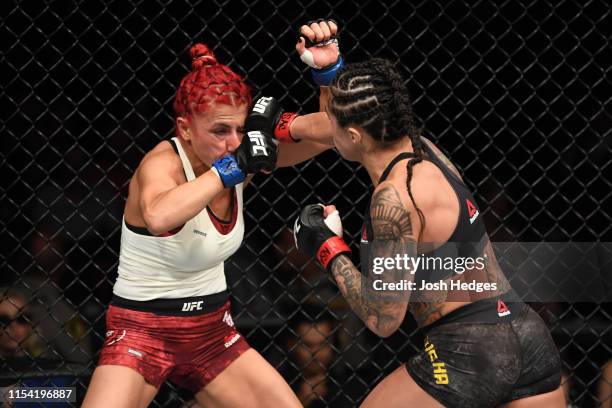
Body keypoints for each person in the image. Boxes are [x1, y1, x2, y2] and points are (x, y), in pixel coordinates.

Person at [292, 22, 565, 407]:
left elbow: (383, 318)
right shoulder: (425, 151)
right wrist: (328, 74)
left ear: (354, 137)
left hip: (469, 349)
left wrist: (327, 247)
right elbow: (338, 123)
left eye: (335, 125)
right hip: (527, 335)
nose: (326, 129)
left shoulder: (394, 200)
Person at [83, 32, 339, 407]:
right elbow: (158, 215)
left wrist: (327, 75)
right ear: (185, 129)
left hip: (212, 333)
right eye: (219, 131)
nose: (234, 142)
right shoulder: (163, 163)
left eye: (240, 129)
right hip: (142, 332)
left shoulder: (238, 155)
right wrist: (231, 167)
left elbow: (330, 135)